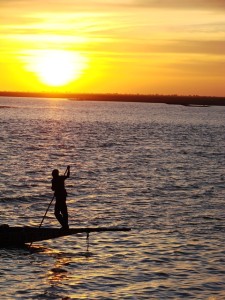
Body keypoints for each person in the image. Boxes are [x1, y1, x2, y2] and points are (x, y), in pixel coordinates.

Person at [51, 166, 70, 230]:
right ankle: (65, 225)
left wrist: (68, 169)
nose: (53, 175)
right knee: (61, 213)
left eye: (53, 174)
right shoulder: (56, 179)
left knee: (61, 212)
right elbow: (53, 188)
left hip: (61, 198)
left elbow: (67, 176)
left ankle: (65, 226)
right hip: (60, 198)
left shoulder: (59, 178)